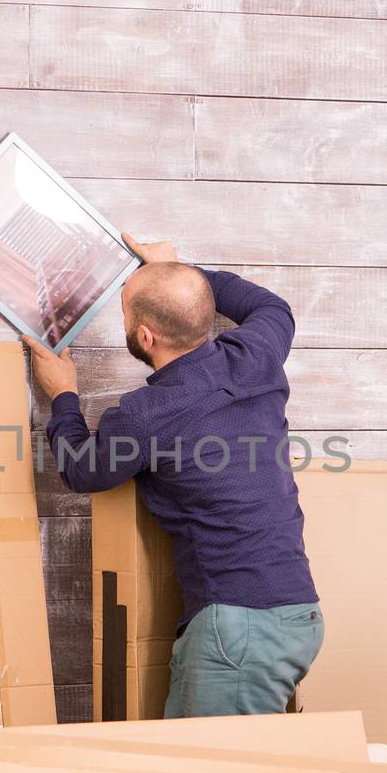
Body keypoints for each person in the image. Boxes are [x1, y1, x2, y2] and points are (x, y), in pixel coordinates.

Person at [23, 236, 323, 719]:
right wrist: (179, 270)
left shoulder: (148, 415)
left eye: (123, 313)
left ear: (145, 336)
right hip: (293, 615)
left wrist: (64, 395)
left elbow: (82, 469)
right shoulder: (256, 356)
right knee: (186, 772)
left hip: (242, 631)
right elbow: (272, 306)